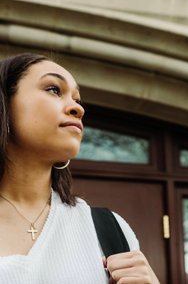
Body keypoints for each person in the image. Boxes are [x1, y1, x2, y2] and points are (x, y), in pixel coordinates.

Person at [0, 52, 160, 284]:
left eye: (77, 100)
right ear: (5, 103)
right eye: (54, 89)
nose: (78, 109)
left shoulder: (109, 231)